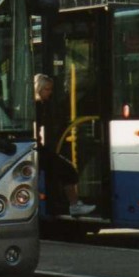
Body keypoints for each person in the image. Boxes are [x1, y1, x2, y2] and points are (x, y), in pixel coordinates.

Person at [34, 74, 95, 217]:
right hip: (35, 149)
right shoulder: (36, 106)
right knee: (67, 170)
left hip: (38, 148)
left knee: (65, 170)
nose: (50, 92)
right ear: (39, 89)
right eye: (47, 89)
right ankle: (74, 205)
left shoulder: (41, 105)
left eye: (50, 89)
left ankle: (73, 204)